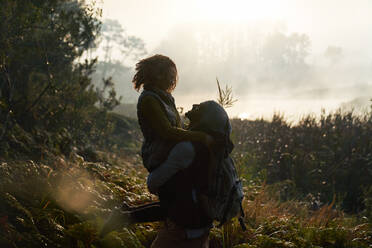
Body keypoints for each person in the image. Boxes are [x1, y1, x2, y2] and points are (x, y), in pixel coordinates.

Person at [100, 55, 214, 236]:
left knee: (172, 205)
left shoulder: (166, 98)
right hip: (160, 157)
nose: (172, 79)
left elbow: (178, 128)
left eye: (173, 75)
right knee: (173, 209)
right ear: (157, 75)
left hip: (173, 156)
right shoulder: (149, 100)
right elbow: (166, 132)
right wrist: (201, 137)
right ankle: (123, 217)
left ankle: (124, 214)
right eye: (169, 74)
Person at [148, 100, 234, 248]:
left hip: (178, 234)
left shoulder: (187, 149)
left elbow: (152, 183)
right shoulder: (219, 153)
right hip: (202, 232)